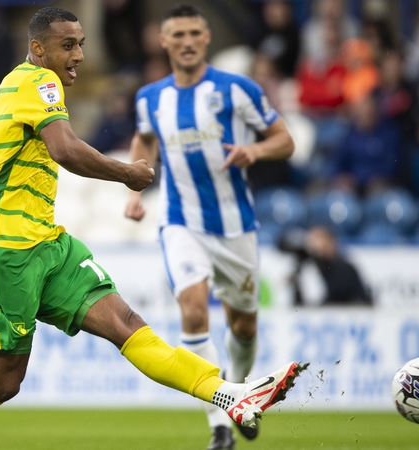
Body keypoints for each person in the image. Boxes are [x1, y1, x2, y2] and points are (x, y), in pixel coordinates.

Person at [0, 7, 306, 450]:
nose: (79, 55)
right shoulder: (38, 82)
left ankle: (232, 396)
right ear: (38, 48)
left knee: (126, 323)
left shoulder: (15, 87)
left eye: (81, 44)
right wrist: (126, 173)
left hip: (48, 244)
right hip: (3, 251)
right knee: (2, 383)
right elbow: (66, 150)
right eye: (68, 45)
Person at [124, 5, 295, 450]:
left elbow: (285, 140)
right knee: (194, 310)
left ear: (206, 39)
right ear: (164, 41)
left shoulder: (238, 90)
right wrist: (134, 189)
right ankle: (220, 423)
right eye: (176, 33)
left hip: (236, 225)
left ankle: (239, 390)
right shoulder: (150, 97)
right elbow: (144, 138)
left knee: (243, 327)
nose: (185, 41)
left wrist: (255, 152)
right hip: (181, 221)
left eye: (194, 33)